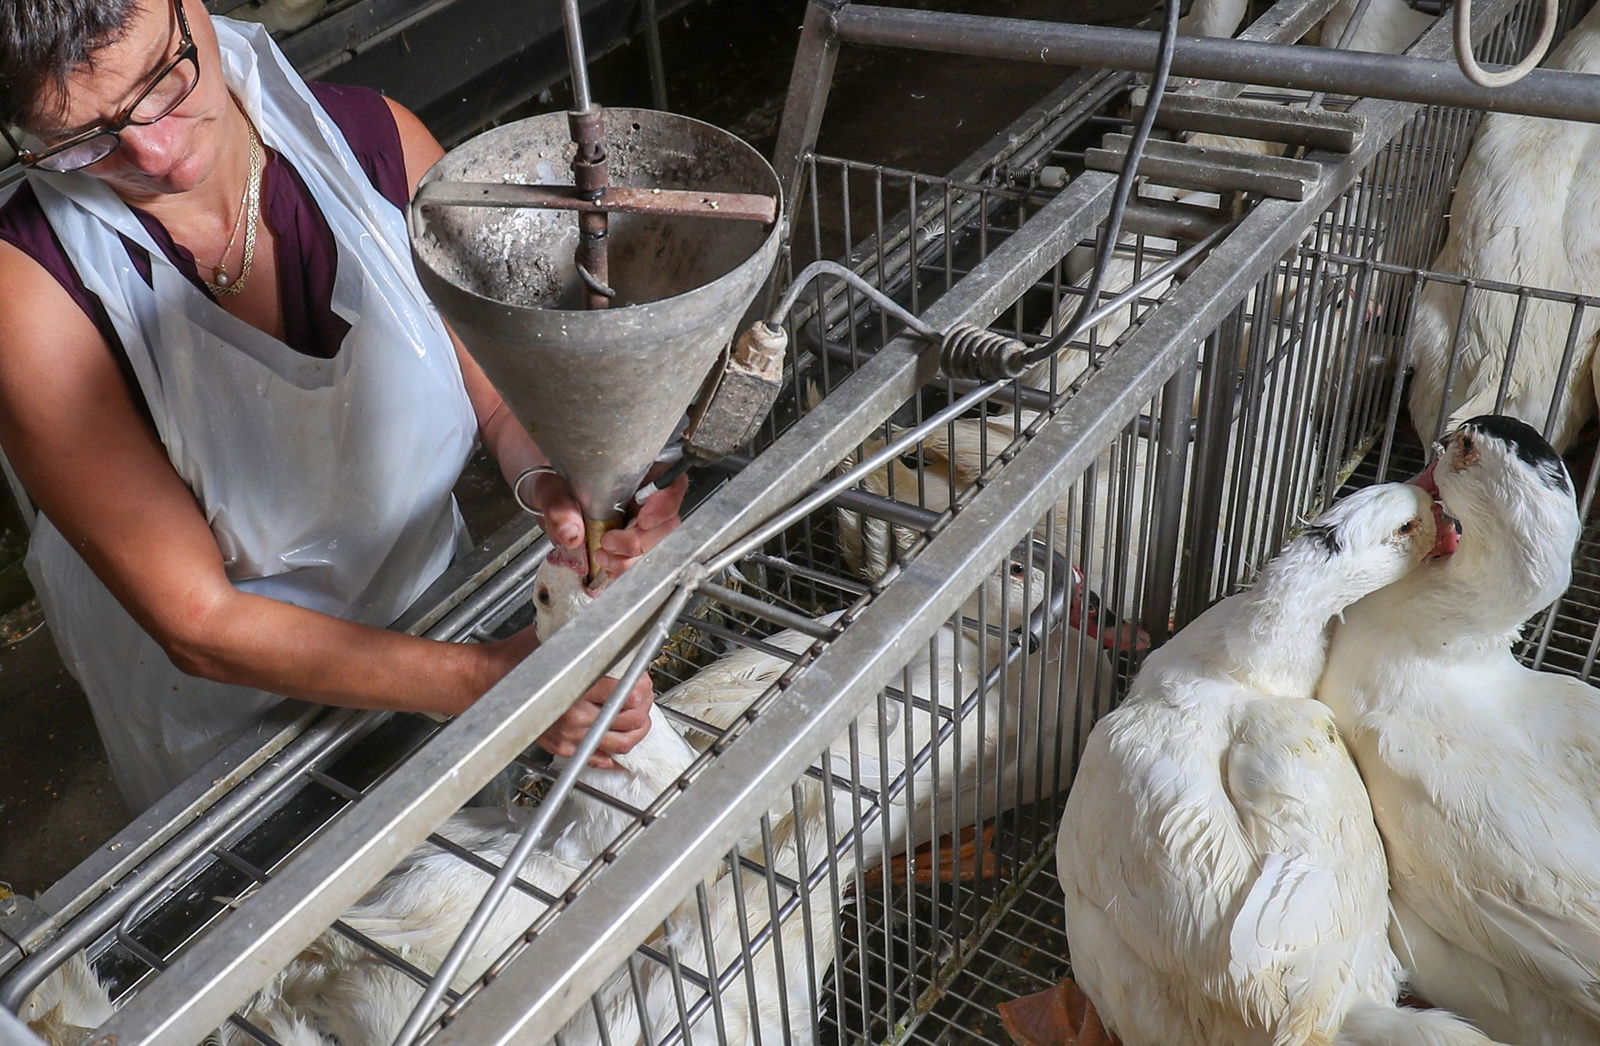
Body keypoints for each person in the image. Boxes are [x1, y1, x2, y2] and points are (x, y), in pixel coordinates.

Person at [0, 0, 686, 811]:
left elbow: (495, 396)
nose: (160, 153)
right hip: (240, 734)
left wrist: (559, 480)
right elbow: (199, 620)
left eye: (164, 78)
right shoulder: (30, 294)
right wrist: (489, 684)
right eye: (85, 138)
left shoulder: (377, 149)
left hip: (434, 613)